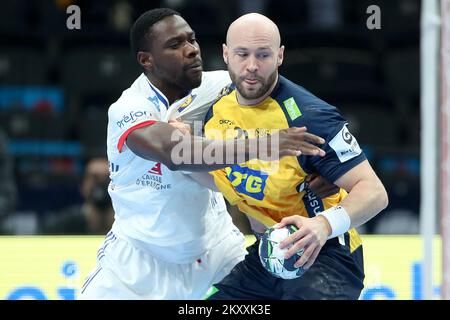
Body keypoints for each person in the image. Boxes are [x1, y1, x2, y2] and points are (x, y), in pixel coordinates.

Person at [78, 8, 328, 300]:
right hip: (137, 265)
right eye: (175, 45)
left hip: (217, 253)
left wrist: (326, 166)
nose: (191, 50)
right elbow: (177, 153)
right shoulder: (129, 107)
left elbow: (294, 104)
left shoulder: (221, 86)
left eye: (191, 40)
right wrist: (267, 144)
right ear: (146, 60)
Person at [203, 13, 389, 300]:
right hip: (268, 255)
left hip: (325, 254)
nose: (251, 66)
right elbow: (211, 172)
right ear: (226, 54)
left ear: (279, 56)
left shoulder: (311, 117)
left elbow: (375, 192)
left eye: (263, 55)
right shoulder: (214, 113)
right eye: (242, 54)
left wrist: (323, 225)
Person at [40, 157, 113, 235]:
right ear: (83, 186)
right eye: (95, 178)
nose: (101, 184)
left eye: (107, 178)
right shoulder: (59, 225)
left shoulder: (126, 224)